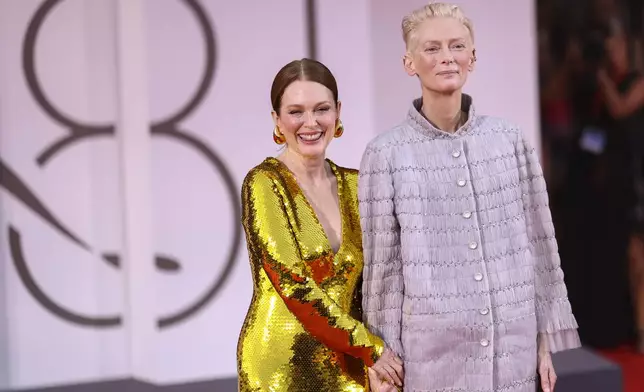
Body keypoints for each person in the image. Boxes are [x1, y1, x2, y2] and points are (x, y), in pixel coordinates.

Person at [358, 3, 581, 392]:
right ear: (409, 62)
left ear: (472, 57)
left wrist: (543, 341)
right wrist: (382, 358)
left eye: (456, 46)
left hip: (513, 355)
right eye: (432, 48)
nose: (447, 58)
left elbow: (539, 243)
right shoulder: (386, 154)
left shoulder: (509, 140)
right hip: (432, 360)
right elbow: (384, 275)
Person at [237, 58, 403, 392]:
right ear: (277, 120)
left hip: (351, 367)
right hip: (280, 370)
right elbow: (294, 285)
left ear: (338, 113)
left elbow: (378, 282)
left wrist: (377, 355)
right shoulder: (264, 183)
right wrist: (371, 348)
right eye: (296, 111)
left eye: (321, 109)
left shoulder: (359, 185)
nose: (310, 122)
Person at [595, 30, 644, 353]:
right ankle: (640, 331)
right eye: (608, 47)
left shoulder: (638, 80)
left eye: (616, 45)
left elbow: (622, 109)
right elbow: (602, 129)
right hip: (623, 181)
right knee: (633, 260)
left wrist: (603, 82)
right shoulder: (605, 86)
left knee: (639, 258)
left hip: (640, 177)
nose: (612, 52)